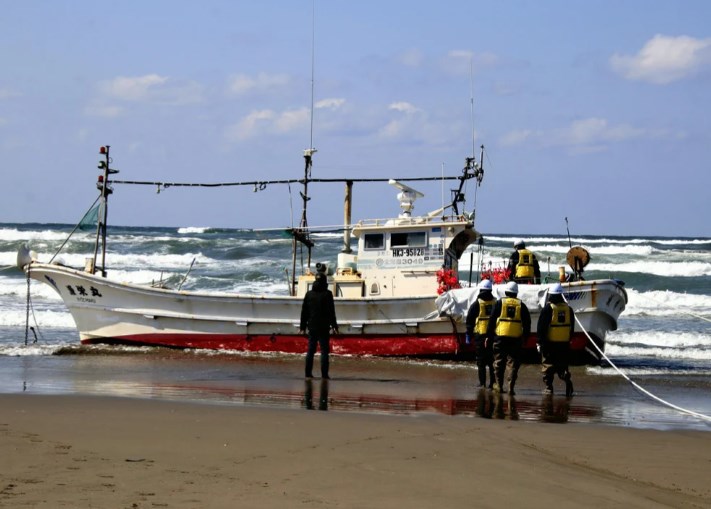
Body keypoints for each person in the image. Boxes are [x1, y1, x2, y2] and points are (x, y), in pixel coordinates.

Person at [486, 281, 531, 396]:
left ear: (506, 291)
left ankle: (499, 386)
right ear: (516, 293)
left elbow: (491, 320)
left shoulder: (500, 303)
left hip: (500, 337)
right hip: (516, 338)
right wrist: (526, 337)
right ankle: (511, 387)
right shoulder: (521, 305)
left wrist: (488, 336)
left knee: (499, 362)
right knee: (513, 363)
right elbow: (527, 323)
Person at [536, 283, 575, 397]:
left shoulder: (548, 308)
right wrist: (569, 340)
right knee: (562, 365)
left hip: (549, 344)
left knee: (547, 366)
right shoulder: (569, 309)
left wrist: (540, 343)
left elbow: (541, 327)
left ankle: (549, 388)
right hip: (564, 344)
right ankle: (567, 380)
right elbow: (571, 327)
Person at [299, 272, 339, 379]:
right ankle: (324, 375)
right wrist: (335, 326)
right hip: (324, 327)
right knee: (324, 352)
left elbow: (304, 312)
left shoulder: (309, 294)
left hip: (312, 326)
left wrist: (302, 327)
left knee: (310, 351)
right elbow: (331, 312)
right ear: (325, 281)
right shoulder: (328, 294)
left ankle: (308, 374)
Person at [465, 279, 496, 388]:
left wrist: (468, 335)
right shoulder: (496, 302)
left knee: (481, 362)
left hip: (480, 336)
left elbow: (469, 320)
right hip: (493, 336)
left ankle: (482, 383)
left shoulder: (476, 304)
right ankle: (493, 384)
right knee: (492, 362)